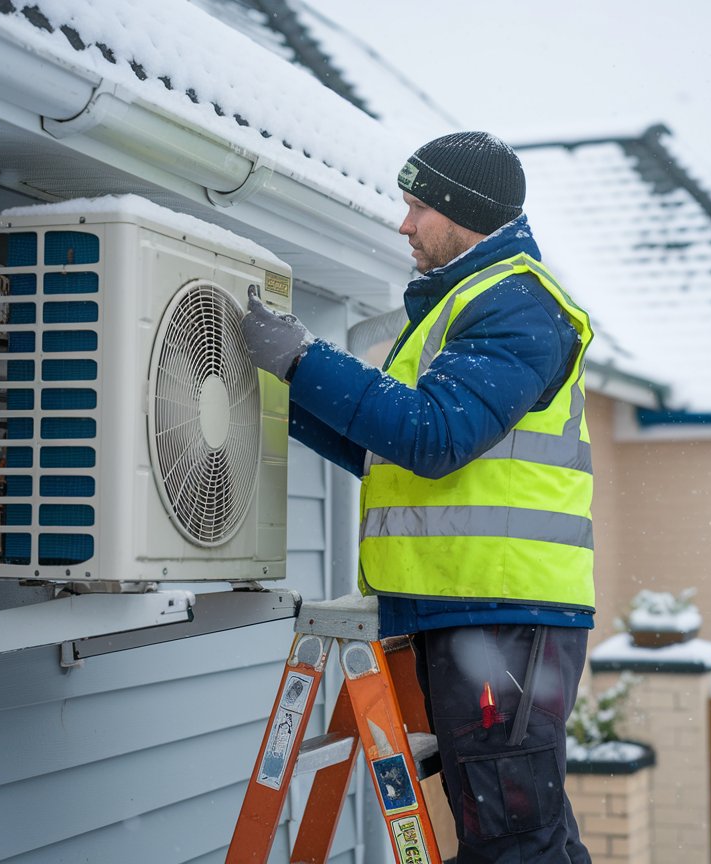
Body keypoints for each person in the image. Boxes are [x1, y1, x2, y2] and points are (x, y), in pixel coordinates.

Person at [241, 130, 595, 864]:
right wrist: (280, 389)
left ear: (465, 214)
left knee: (510, 842)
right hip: (469, 613)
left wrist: (305, 360)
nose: (404, 225)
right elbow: (389, 445)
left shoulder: (518, 305)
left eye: (418, 208)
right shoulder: (458, 305)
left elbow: (433, 436)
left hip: (504, 616)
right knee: (522, 836)